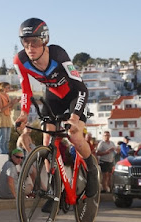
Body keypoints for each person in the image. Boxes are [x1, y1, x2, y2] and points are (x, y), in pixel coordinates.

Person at [14, 18, 98, 198]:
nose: (30, 48)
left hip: (74, 96)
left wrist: (74, 117)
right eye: (25, 42)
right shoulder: (20, 60)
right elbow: (26, 90)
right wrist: (23, 114)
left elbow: (81, 88)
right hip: (53, 98)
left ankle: (92, 171)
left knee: (74, 136)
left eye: (35, 42)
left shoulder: (58, 55)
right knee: (47, 144)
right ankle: (54, 190)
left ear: (44, 40)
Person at [0, 82, 19, 154]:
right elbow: (0, 109)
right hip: (1, 118)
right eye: (8, 87)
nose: (9, 89)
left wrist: (14, 102)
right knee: (3, 137)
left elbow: (9, 107)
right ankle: (2, 152)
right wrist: (10, 103)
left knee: (7, 138)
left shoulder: (7, 96)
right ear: (3, 88)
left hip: (8, 117)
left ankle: (6, 152)